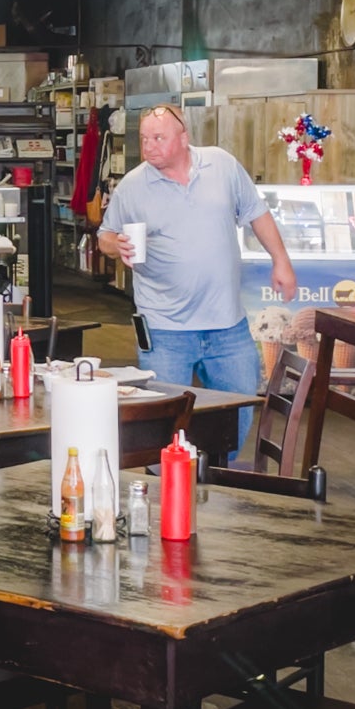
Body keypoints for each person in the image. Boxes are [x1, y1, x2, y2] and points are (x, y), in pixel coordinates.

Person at [96, 104, 297, 457]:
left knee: (235, 413)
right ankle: (167, 489)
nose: (149, 147)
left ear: (184, 137)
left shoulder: (221, 165)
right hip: (164, 328)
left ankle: (216, 476)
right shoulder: (133, 186)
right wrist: (116, 246)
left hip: (227, 325)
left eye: (158, 137)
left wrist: (281, 261)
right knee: (162, 424)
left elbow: (257, 213)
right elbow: (104, 236)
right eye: (144, 139)